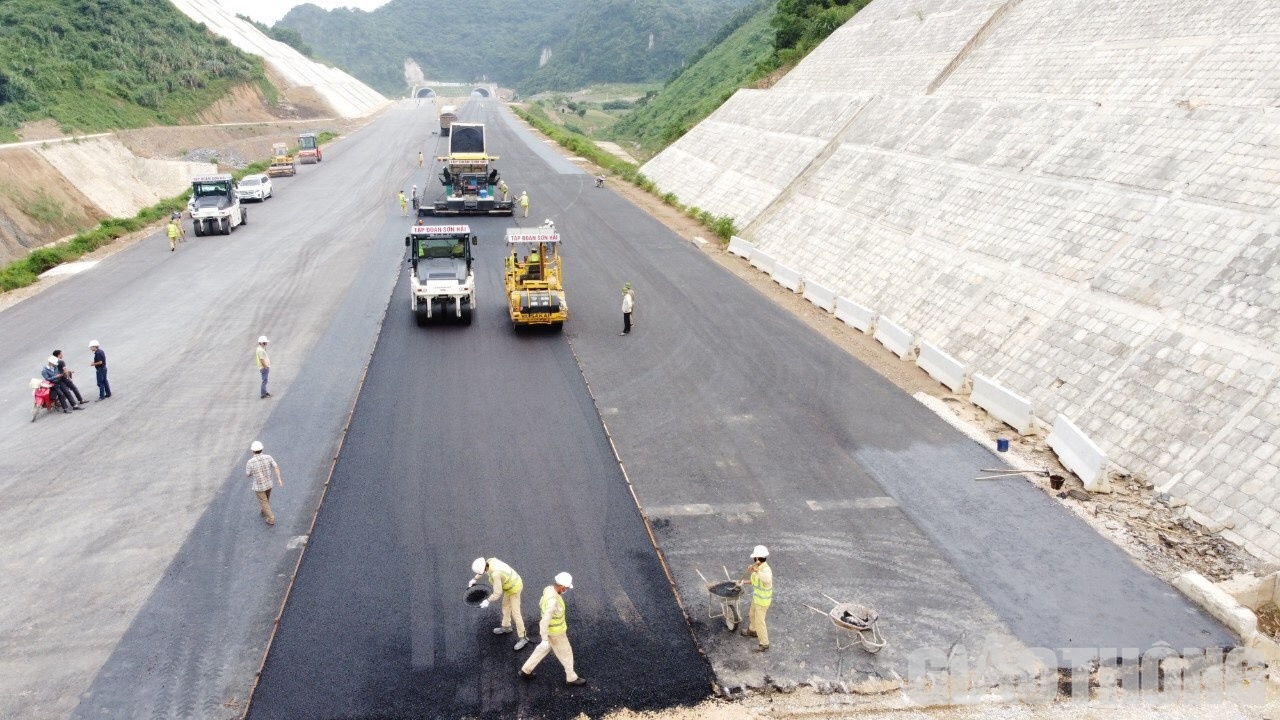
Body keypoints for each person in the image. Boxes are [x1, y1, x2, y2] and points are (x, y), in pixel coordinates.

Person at [519, 572, 585, 685]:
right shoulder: (552, 601)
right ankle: (571, 678)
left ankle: (526, 670)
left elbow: (541, 602)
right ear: (562, 586)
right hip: (556, 633)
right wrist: (544, 638)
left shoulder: (548, 589)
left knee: (542, 649)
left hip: (551, 632)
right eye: (567, 588)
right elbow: (545, 620)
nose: (566, 590)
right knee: (567, 654)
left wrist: (545, 638)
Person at [469, 557, 529, 650]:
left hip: (514, 588)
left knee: (516, 614)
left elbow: (497, 593)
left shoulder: (496, 574)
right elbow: (481, 572)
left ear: (484, 568)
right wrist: (474, 579)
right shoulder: (489, 561)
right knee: (505, 607)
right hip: (510, 586)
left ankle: (523, 638)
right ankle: (506, 627)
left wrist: (487, 601)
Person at [739, 545, 772, 652]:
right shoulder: (758, 568)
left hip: (763, 601)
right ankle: (752, 631)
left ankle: (764, 643)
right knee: (752, 615)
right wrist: (743, 582)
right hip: (756, 599)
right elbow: (755, 581)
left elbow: (766, 579)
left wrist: (756, 570)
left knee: (760, 621)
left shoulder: (766, 570)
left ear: (757, 559)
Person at [245, 440, 283, 525]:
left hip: (259, 486)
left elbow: (248, 474)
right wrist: (279, 479)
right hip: (269, 484)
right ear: (262, 449)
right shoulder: (268, 457)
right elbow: (275, 467)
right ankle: (263, 510)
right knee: (266, 499)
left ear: (252, 451)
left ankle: (271, 518)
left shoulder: (250, 462)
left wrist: (251, 473)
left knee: (264, 501)